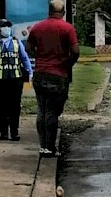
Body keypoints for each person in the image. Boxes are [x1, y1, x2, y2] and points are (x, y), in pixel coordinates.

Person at [26, 0, 80, 157]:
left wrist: (40, 58)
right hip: (58, 75)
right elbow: (75, 51)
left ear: (48, 12)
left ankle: (43, 146)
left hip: (40, 74)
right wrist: (67, 64)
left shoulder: (37, 27)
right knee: (52, 112)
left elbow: (28, 48)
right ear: (63, 13)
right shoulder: (67, 28)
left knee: (42, 109)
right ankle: (50, 147)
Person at [0, 19, 33, 141]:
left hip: (15, 79)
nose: (7, 29)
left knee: (15, 106)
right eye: (4, 27)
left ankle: (14, 132)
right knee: (0, 107)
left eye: (8, 27)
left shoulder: (16, 42)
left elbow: (24, 58)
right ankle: (3, 132)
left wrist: (30, 72)